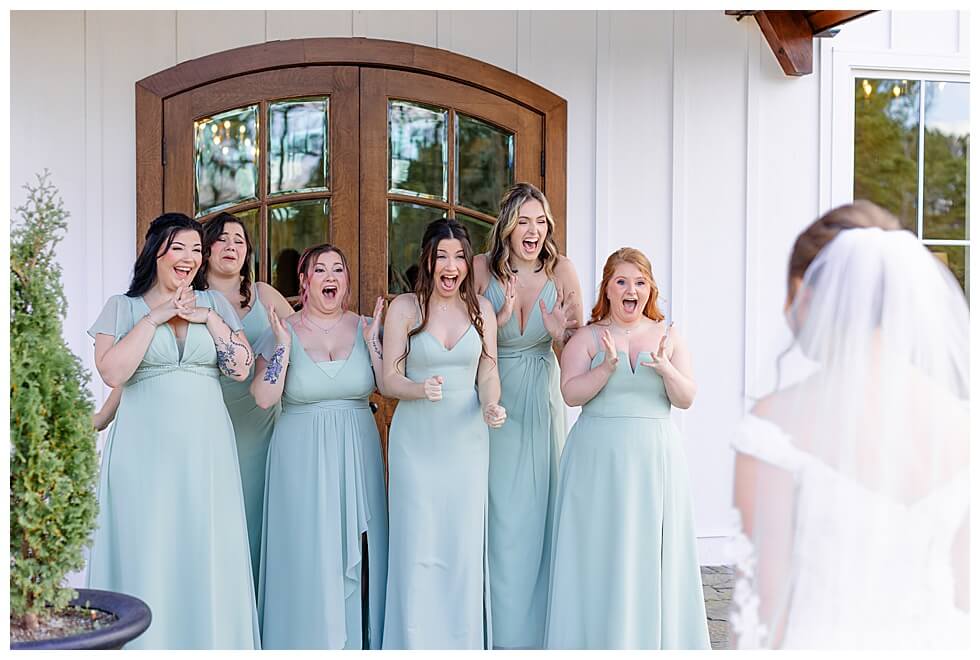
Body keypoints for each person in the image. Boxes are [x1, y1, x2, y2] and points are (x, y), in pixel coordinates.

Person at [730, 201, 970, 649]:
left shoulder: (774, 427)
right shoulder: (962, 424)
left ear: (803, 292)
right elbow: (967, 592)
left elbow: (765, 611)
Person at [86, 212, 260, 649]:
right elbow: (113, 372)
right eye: (179, 248)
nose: (189, 258)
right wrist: (155, 317)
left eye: (196, 250)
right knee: (150, 547)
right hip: (144, 453)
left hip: (207, 452)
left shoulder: (215, 305)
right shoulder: (122, 307)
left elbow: (241, 369)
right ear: (156, 252)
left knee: (205, 547)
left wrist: (208, 319)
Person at [545, 247, 710, 650]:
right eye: (621, 281)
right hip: (597, 463)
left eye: (639, 282)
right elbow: (570, 394)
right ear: (608, 288)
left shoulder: (668, 337)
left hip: (654, 461)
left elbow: (686, 397)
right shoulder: (587, 338)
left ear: (649, 289)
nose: (630, 289)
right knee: (600, 553)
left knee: (650, 554)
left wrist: (666, 367)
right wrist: (605, 368)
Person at [251, 244, 388, 649]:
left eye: (338, 270)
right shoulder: (282, 330)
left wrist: (375, 342)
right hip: (300, 455)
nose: (331, 277)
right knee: (305, 550)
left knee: (361, 554)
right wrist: (282, 347)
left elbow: (386, 383)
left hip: (357, 447)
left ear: (346, 281)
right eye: (321, 270)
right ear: (305, 282)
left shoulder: (366, 326)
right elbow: (262, 396)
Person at [381, 218, 506, 649]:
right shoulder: (404, 309)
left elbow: (488, 371)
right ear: (428, 260)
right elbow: (388, 379)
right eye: (442, 257)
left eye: (459, 258)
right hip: (417, 443)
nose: (450, 266)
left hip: (467, 442)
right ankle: (413, 643)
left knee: (461, 545)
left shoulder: (481, 310)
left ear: (468, 264)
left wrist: (492, 403)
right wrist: (417, 389)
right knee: (418, 544)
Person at [472, 182, 581, 648]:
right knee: (495, 517)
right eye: (524, 220)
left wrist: (558, 336)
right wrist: (497, 321)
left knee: (537, 515)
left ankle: (537, 638)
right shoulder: (480, 268)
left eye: (541, 221)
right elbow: (462, 335)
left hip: (540, 402)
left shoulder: (563, 272)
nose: (533, 230)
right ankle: (493, 631)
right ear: (507, 225)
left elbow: (578, 356)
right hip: (490, 404)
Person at [201, 212, 294, 594]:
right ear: (205, 249)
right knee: (213, 522)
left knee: (257, 520)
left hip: (262, 427)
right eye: (222, 239)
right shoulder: (191, 300)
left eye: (239, 240)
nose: (231, 247)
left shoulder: (266, 297)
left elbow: (301, 343)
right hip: (207, 423)